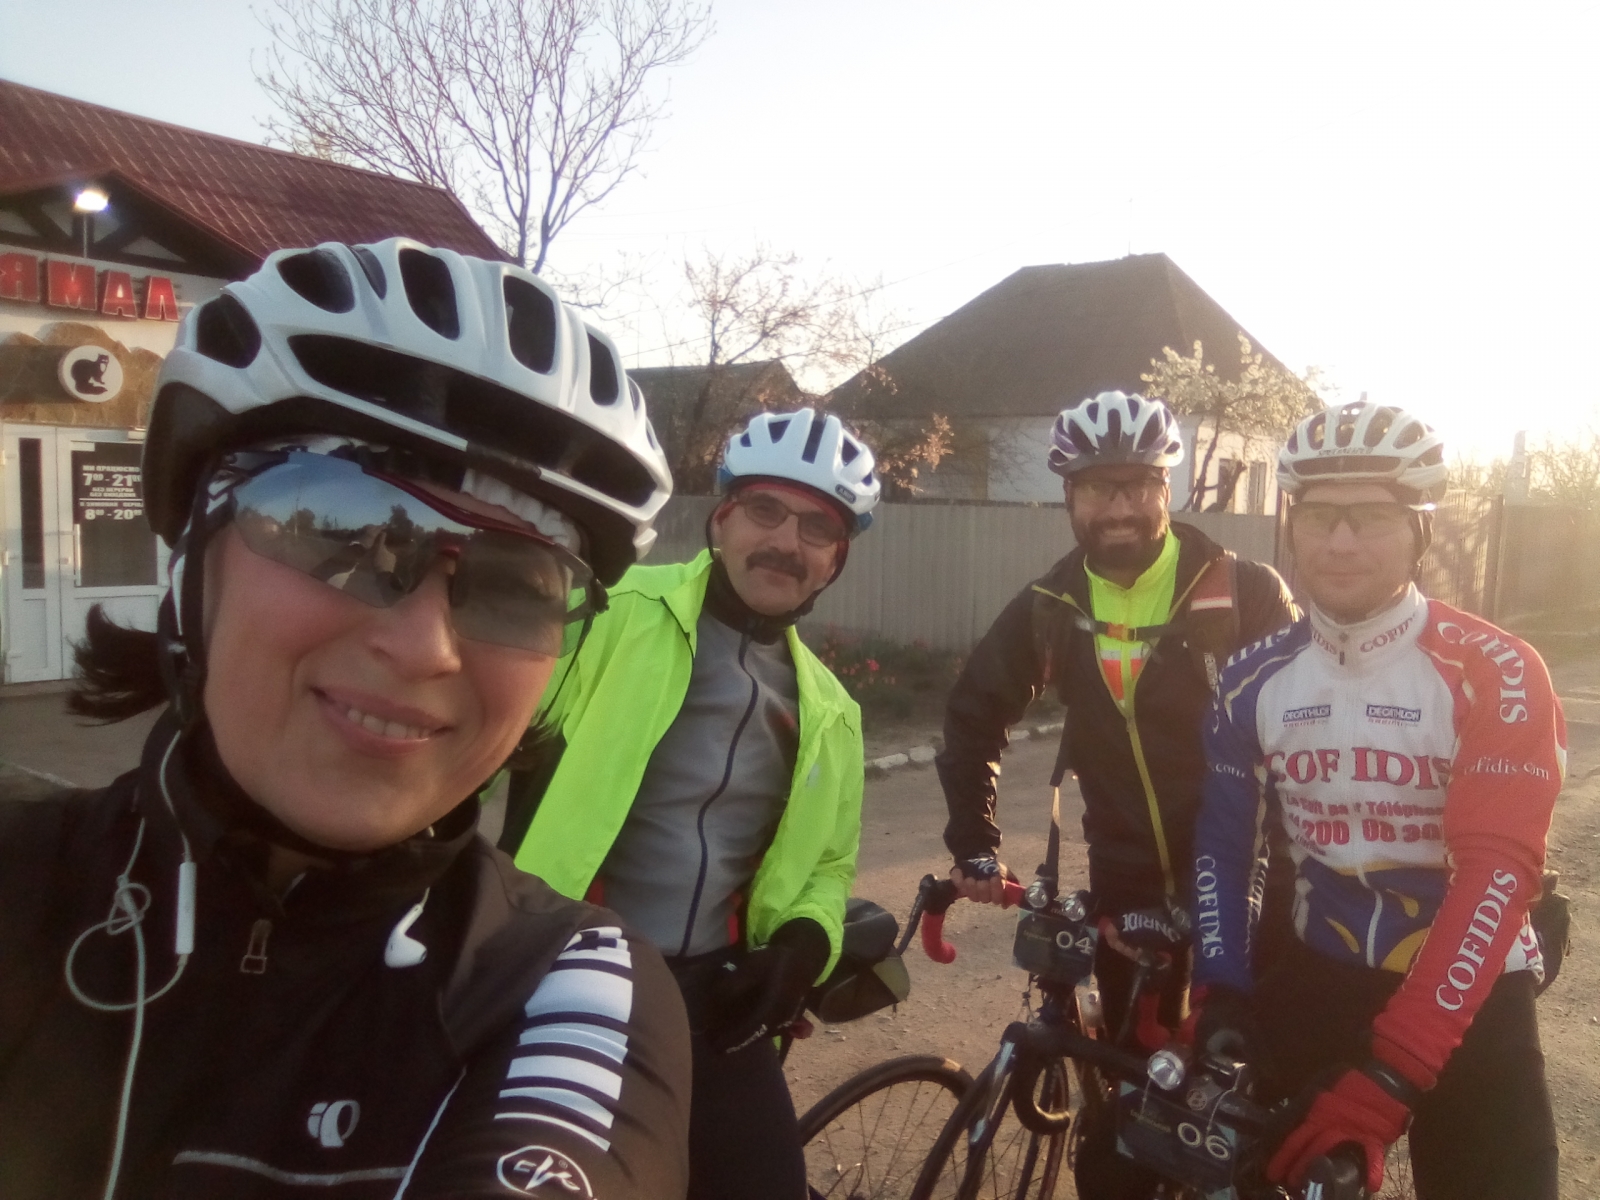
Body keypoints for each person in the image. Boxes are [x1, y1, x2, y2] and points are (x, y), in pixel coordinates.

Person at [0, 239, 691, 1200]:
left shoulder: (562, 989)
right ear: (194, 556)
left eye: (516, 588)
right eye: (342, 529)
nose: (425, 647)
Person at [502, 407, 877, 1200]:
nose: (787, 541)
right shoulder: (613, 609)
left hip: (714, 1003)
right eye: (766, 510)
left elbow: (830, 865)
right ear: (722, 519)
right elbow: (478, 725)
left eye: (817, 527)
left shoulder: (833, 713)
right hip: (557, 978)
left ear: (835, 562)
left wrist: (804, 944)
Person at [1191, 401, 1564, 1198]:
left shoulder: (1496, 670)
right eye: (1318, 515)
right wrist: (1220, 986)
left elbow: (1495, 875)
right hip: (1322, 974)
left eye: (1371, 516)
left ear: (1421, 529)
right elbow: (1225, 847)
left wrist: (1394, 1074)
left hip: (1473, 992)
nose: (1340, 540)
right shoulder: (1254, 676)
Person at [936, 391, 1297, 1192]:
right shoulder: (1053, 606)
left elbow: (1309, 739)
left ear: (1168, 488)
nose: (1121, 507)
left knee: (1248, 1102)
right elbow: (973, 715)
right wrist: (976, 842)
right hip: (1126, 883)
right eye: (1099, 487)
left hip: (1245, 876)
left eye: (1138, 485)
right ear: (1070, 496)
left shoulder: (1244, 594)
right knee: (1130, 1106)